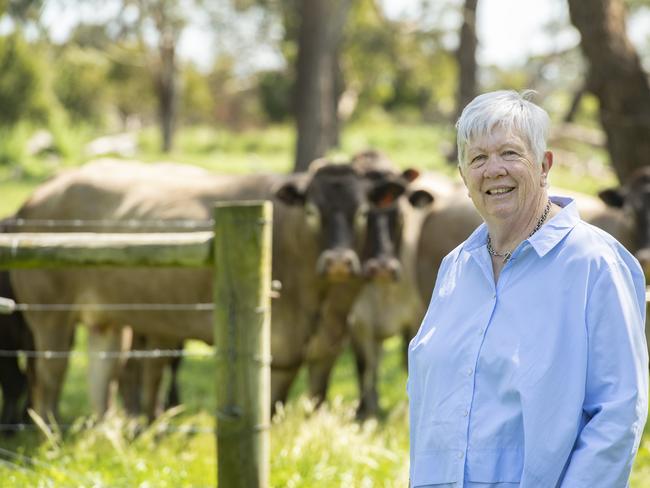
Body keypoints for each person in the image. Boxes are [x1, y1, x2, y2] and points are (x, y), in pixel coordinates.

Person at [407, 90, 648, 487]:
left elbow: (618, 413)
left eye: (510, 153)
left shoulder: (594, 263)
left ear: (544, 164)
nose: (493, 169)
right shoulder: (455, 268)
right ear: (464, 177)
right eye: (478, 158)